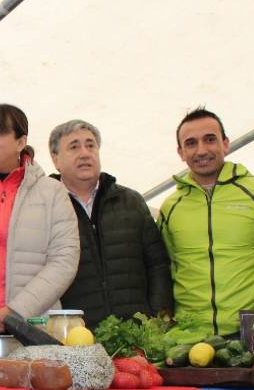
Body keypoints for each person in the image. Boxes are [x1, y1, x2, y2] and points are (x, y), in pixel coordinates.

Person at [158, 108, 254, 344]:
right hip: (191, 335)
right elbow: (166, 264)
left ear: (225, 143)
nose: (201, 150)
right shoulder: (171, 207)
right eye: (191, 143)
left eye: (210, 139)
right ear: (181, 152)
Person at [0, 104, 79, 335]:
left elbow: (64, 260)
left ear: (21, 142)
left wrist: (17, 311)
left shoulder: (52, 192)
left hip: (34, 328)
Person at [48, 119, 172, 328]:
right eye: (74, 146)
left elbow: (158, 266)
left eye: (90, 145)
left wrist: (158, 320)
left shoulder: (131, 201)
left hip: (138, 337)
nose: (85, 153)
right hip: (76, 338)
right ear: (55, 159)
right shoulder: (46, 207)